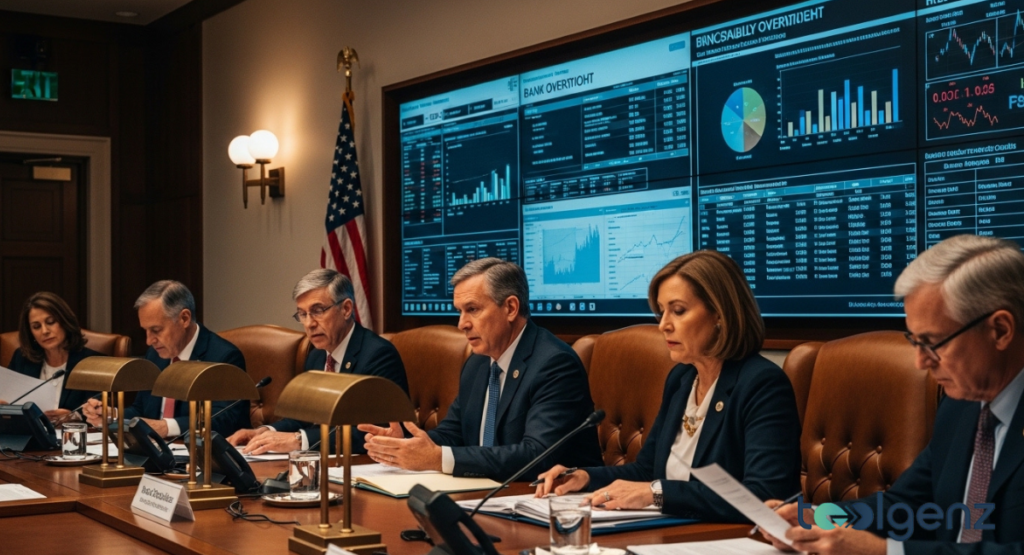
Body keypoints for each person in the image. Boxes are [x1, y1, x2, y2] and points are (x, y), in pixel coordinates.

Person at [764, 234, 1024, 555]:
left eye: (932, 342)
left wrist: (885, 552)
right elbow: (908, 505)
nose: (920, 362)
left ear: (1000, 330)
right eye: (915, 342)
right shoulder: (961, 405)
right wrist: (819, 517)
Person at [535, 250, 801, 521]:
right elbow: (647, 471)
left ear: (720, 314)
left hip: (736, 537)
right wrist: (585, 477)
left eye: (678, 311)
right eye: (661, 312)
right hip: (674, 531)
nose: (663, 325)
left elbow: (763, 496)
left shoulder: (762, 385)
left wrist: (657, 493)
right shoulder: (681, 379)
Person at [358, 258, 603, 482]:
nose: (461, 324)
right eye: (460, 311)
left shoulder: (554, 364)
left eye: (472, 309)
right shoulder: (478, 363)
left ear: (510, 308)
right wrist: (406, 445)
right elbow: (453, 434)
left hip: (553, 499)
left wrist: (437, 458)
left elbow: (536, 455)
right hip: (489, 493)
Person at [227, 268, 408, 454]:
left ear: (346, 309)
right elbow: (303, 417)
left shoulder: (377, 355)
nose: (309, 324)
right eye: (302, 314)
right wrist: (265, 432)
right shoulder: (317, 356)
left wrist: (300, 440)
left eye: (318, 311)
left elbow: (379, 431)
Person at [83, 280, 248, 438]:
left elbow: (224, 419)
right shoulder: (155, 354)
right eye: (146, 331)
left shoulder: (224, 356)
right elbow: (141, 410)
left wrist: (166, 427)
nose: (149, 341)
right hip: (156, 449)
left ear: (184, 318)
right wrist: (113, 416)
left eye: (156, 330)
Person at [1, 292, 100, 422]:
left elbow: (100, 412)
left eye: (51, 322)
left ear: (65, 322)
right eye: (36, 326)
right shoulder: (21, 358)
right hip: (30, 433)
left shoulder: (92, 363)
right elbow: (9, 403)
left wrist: (75, 417)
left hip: (71, 433)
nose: (45, 331)